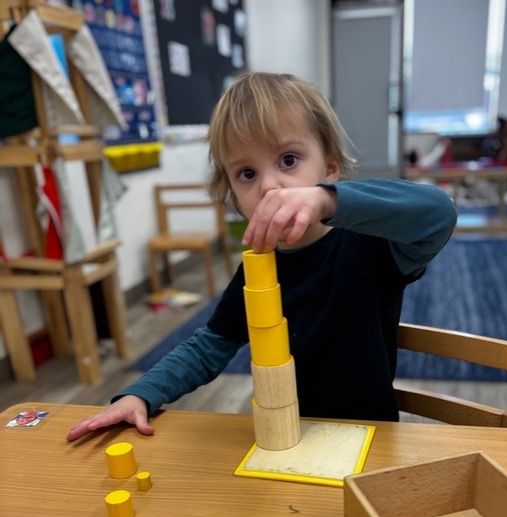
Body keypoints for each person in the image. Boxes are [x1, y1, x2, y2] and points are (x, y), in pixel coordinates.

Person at [66, 72, 456, 442]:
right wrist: (141, 394)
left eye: (288, 160)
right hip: (286, 436)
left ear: (329, 169)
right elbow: (209, 346)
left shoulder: (373, 245)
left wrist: (327, 201)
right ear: (234, 195)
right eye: (247, 174)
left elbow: (438, 214)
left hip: (370, 435)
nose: (269, 186)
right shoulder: (257, 267)